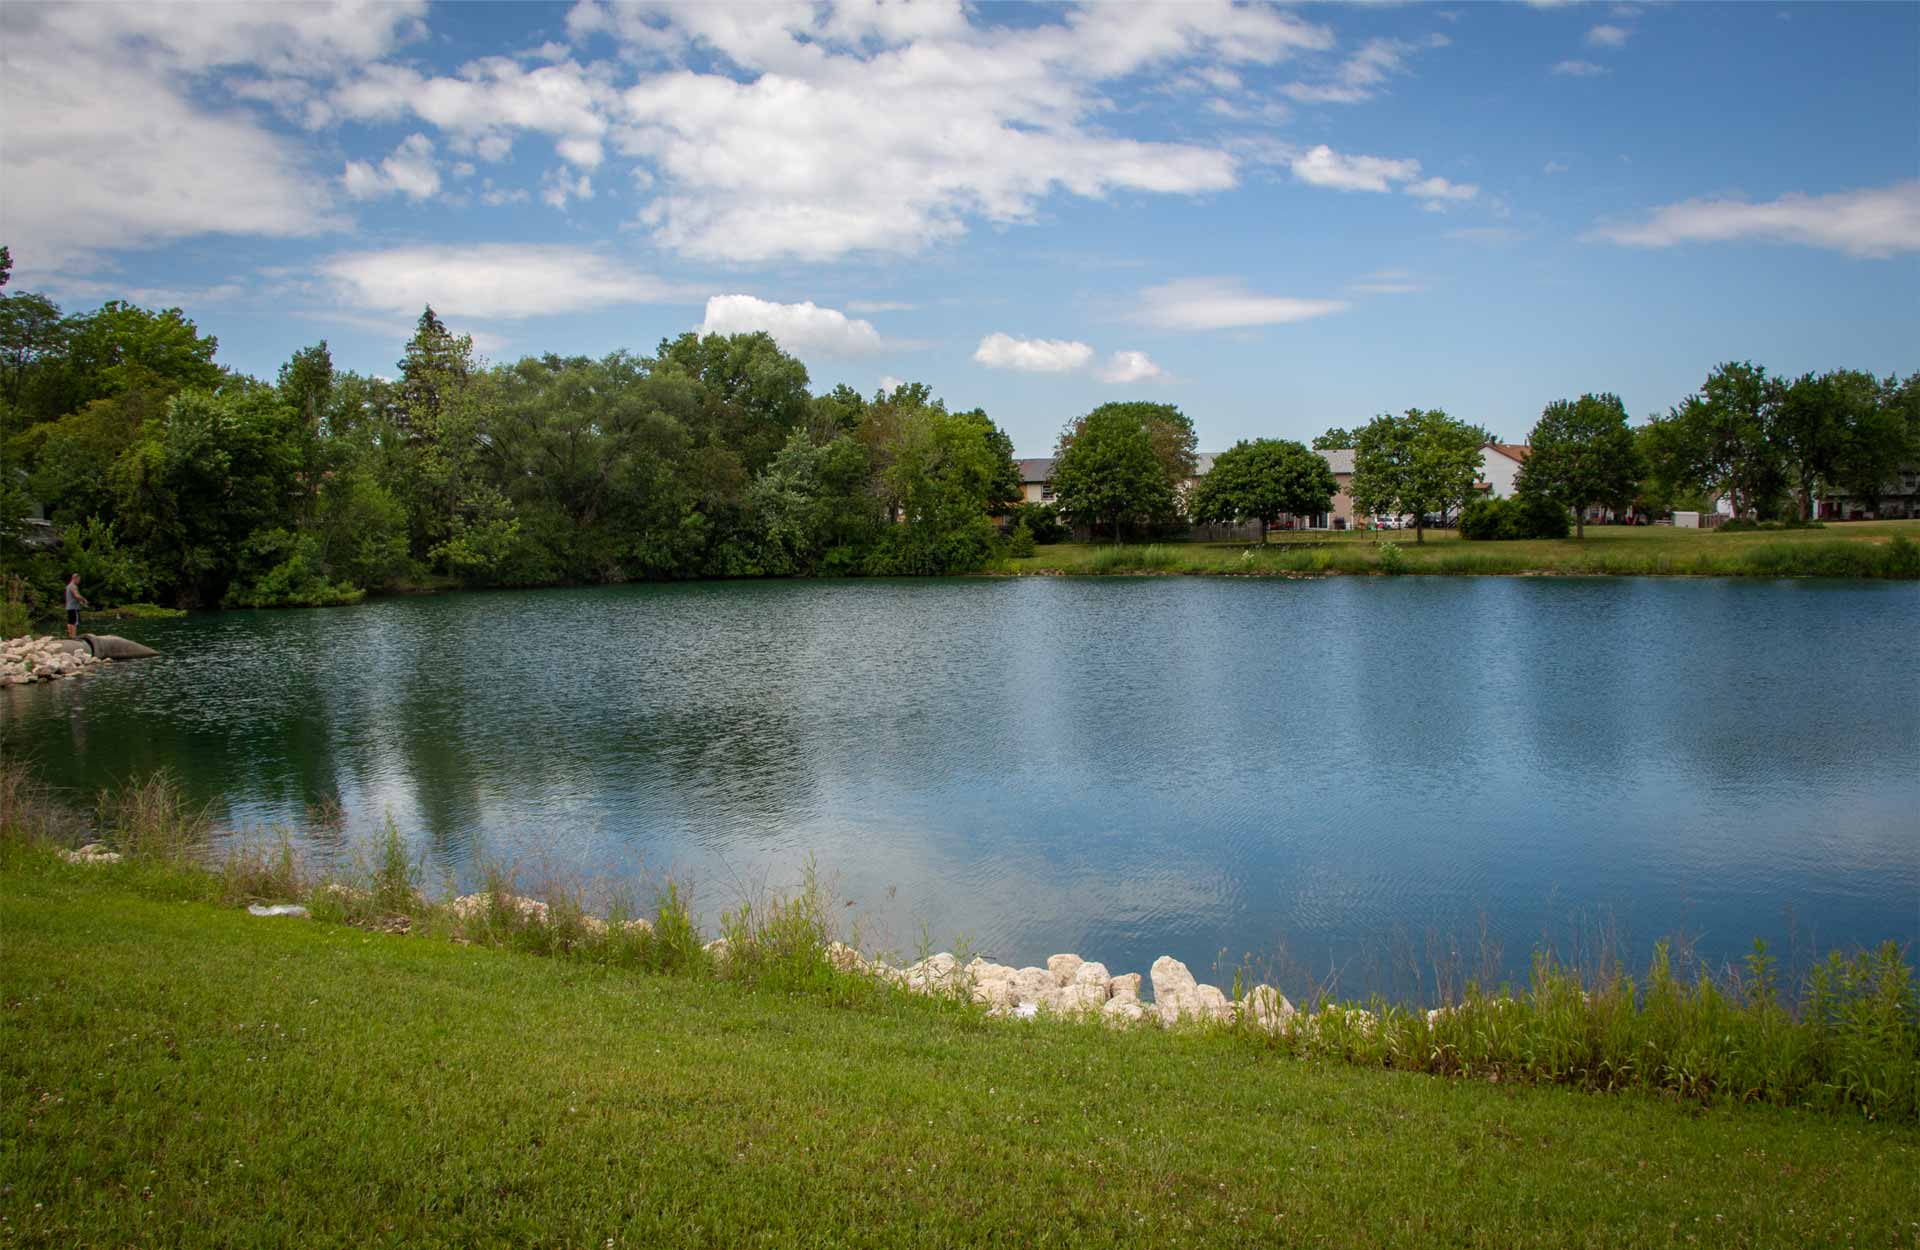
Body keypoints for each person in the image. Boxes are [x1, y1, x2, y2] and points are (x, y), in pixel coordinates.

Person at [64, 573, 89, 638]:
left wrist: (81, 603)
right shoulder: (73, 586)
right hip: (74, 607)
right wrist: (84, 599)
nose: (79, 581)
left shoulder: (68, 586)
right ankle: (74, 637)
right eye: (78, 580)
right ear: (75, 578)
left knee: (70, 622)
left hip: (69, 607)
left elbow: (73, 597)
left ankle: (70, 636)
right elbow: (76, 595)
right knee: (74, 622)